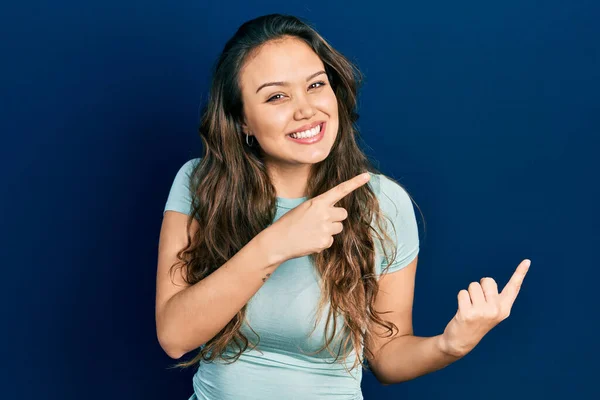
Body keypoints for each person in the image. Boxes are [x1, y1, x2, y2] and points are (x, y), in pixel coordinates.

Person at [156, 14, 531, 400]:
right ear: (242, 122)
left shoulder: (382, 203)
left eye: (316, 85)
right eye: (276, 96)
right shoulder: (201, 184)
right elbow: (174, 336)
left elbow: (386, 357)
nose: (306, 110)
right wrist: (275, 243)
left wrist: (449, 345)